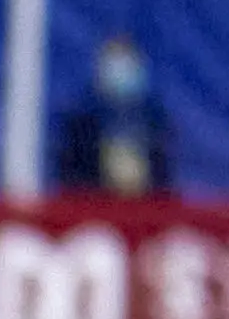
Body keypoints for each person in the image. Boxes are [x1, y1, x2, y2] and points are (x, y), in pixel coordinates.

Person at [53, 33, 178, 200]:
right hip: (93, 207)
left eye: (127, 62)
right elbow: (71, 179)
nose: (121, 71)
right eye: (115, 62)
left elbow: (163, 178)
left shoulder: (155, 121)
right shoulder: (81, 123)